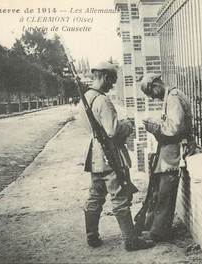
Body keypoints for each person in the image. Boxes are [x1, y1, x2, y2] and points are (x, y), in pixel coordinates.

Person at [80, 62, 154, 251]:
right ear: (104, 76)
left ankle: (92, 235)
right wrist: (127, 125)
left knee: (95, 195)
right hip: (110, 155)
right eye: (112, 80)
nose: (112, 85)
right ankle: (131, 240)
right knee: (120, 195)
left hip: (95, 155)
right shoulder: (102, 100)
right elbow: (113, 131)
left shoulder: (85, 97)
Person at [139, 73, 195, 242]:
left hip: (176, 149)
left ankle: (159, 233)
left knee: (166, 192)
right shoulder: (170, 96)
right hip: (170, 148)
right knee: (160, 190)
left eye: (152, 94)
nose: (153, 98)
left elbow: (175, 127)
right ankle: (154, 227)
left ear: (156, 85)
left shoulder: (173, 97)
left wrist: (155, 127)